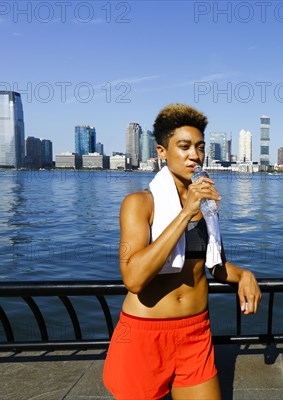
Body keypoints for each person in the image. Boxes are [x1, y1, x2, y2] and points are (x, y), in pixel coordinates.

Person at [103, 103, 262, 400]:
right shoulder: (139, 204)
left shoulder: (207, 204)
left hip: (195, 331)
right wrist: (184, 214)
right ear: (162, 151)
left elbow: (215, 266)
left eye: (200, 147)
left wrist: (244, 275)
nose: (195, 156)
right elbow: (134, 278)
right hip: (143, 333)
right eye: (184, 146)